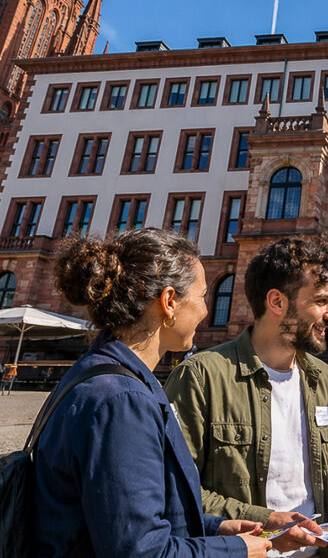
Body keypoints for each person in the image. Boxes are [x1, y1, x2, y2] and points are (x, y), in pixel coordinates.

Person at [34, 228, 272, 558]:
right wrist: (236, 550)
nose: (205, 311)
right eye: (202, 296)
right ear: (169, 302)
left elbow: (131, 513)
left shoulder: (106, 373)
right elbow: (140, 551)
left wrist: (215, 527)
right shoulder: (121, 400)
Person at [165, 234, 328, 557]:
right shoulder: (202, 377)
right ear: (277, 302)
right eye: (321, 301)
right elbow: (176, 493)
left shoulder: (324, 380)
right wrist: (267, 522)